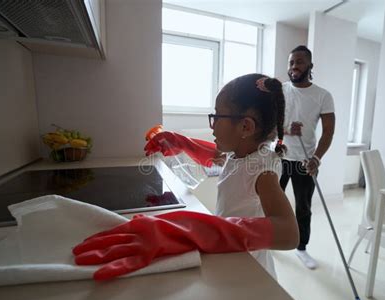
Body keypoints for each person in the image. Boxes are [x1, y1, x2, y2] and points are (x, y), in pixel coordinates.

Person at [72, 73, 299, 281]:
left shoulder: (262, 170)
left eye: (216, 116)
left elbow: (289, 233)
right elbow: (215, 156)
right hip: (230, 253)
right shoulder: (240, 153)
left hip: (250, 269)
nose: (212, 125)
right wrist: (179, 142)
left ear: (245, 127)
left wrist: (200, 229)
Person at [279, 45, 335, 269]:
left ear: (310, 66)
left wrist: (316, 159)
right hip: (279, 157)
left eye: (299, 62)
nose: (294, 67)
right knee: (271, 202)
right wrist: (287, 130)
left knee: (303, 206)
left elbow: (329, 131)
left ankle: (301, 248)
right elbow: (269, 126)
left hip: (305, 160)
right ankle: (269, 239)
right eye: (291, 62)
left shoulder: (323, 95)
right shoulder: (280, 91)